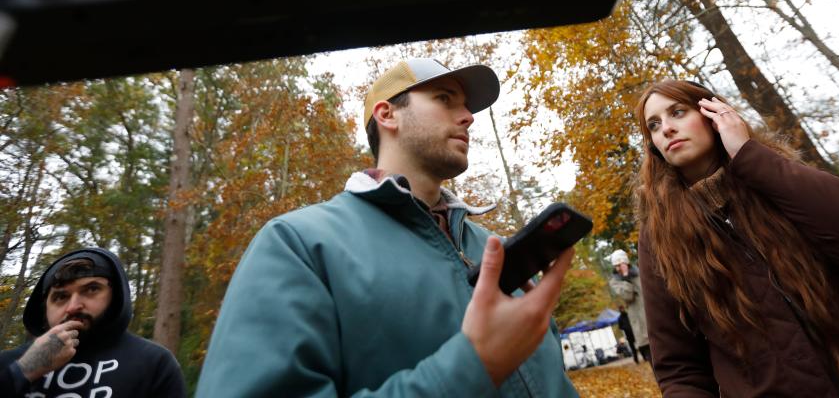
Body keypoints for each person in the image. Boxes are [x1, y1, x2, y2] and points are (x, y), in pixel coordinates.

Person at [196, 58, 579, 397]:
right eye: (445, 99)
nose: (467, 116)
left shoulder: (489, 247)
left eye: (465, 106)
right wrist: (473, 366)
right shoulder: (299, 245)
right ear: (387, 114)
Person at [635, 79, 839, 397]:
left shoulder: (780, 180)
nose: (666, 129)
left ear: (715, 113)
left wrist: (750, 156)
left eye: (678, 112)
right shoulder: (660, 239)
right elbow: (679, 368)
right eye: (654, 125)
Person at [0, 247, 186, 397]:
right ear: (44, 308)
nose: (73, 306)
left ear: (116, 296)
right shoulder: (8, 363)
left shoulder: (153, 364)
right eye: (60, 296)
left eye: (91, 289)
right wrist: (23, 371)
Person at [608, 249, 649, 363]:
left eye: (620, 265)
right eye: (616, 266)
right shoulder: (615, 281)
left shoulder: (639, 273)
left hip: (652, 317)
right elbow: (628, 296)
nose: (618, 268)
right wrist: (626, 277)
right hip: (640, 323)